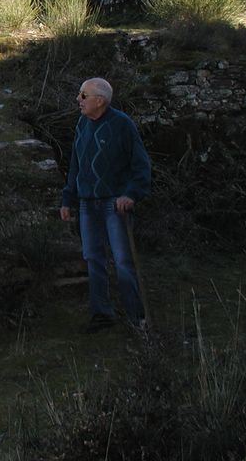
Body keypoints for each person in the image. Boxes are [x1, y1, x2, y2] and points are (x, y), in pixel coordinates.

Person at [59, 77, 151, 333]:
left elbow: (141, 165)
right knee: (93, 259)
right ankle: (102, 314)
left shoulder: (122, 125)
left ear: (100, 101)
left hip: (114, 204)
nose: (79, 100)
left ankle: (136, 318)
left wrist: (131, 194)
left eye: (83, 95)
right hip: (88, 203)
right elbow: (76, 166)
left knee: (123, 261)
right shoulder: (82, 124)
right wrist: (68, 198)